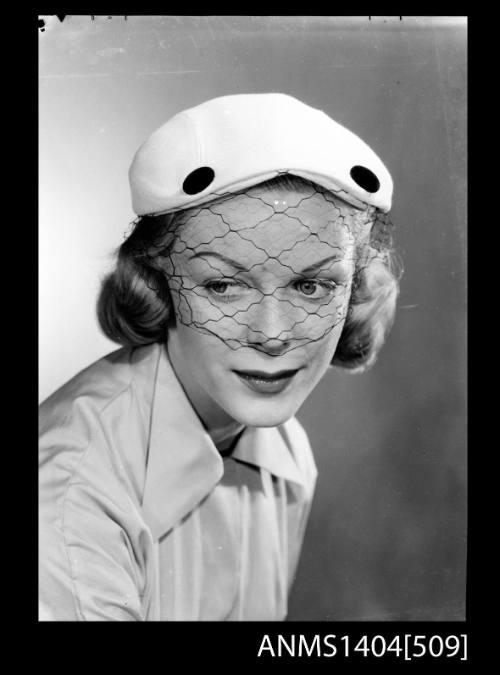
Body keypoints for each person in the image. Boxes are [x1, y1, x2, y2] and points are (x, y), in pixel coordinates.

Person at [39, 92, 400, 621]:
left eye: (312, 286)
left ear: (354, 289)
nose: (272, 335)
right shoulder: (72, 494)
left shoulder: (286, 451)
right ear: (157, 282)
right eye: (224, 285)